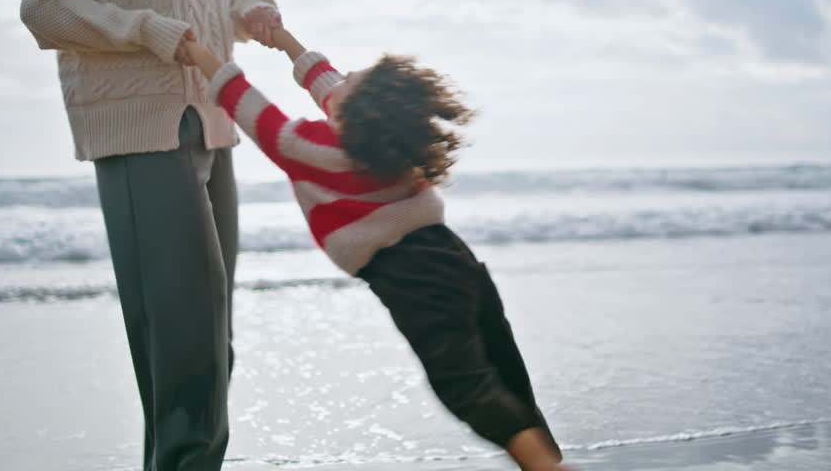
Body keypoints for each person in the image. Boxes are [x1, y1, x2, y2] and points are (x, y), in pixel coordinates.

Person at [19, 0, 279, 471]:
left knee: (210, 334)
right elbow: (43, 8)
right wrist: (141, 30)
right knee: (184, 335)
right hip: (142, 141)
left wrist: (253, 9)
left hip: (211, 132)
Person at [179, 27, 568, 471]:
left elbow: (242, 98)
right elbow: (324, 82)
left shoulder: (308, 146)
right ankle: (548, 458)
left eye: (348, 81)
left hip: (410, 275)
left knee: (463, 382)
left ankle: (547, 468)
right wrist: (283, 39)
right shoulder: (379, 142)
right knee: (504, 369)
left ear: (354, 110)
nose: (336, 80)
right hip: (454, 257)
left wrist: (193, 50)